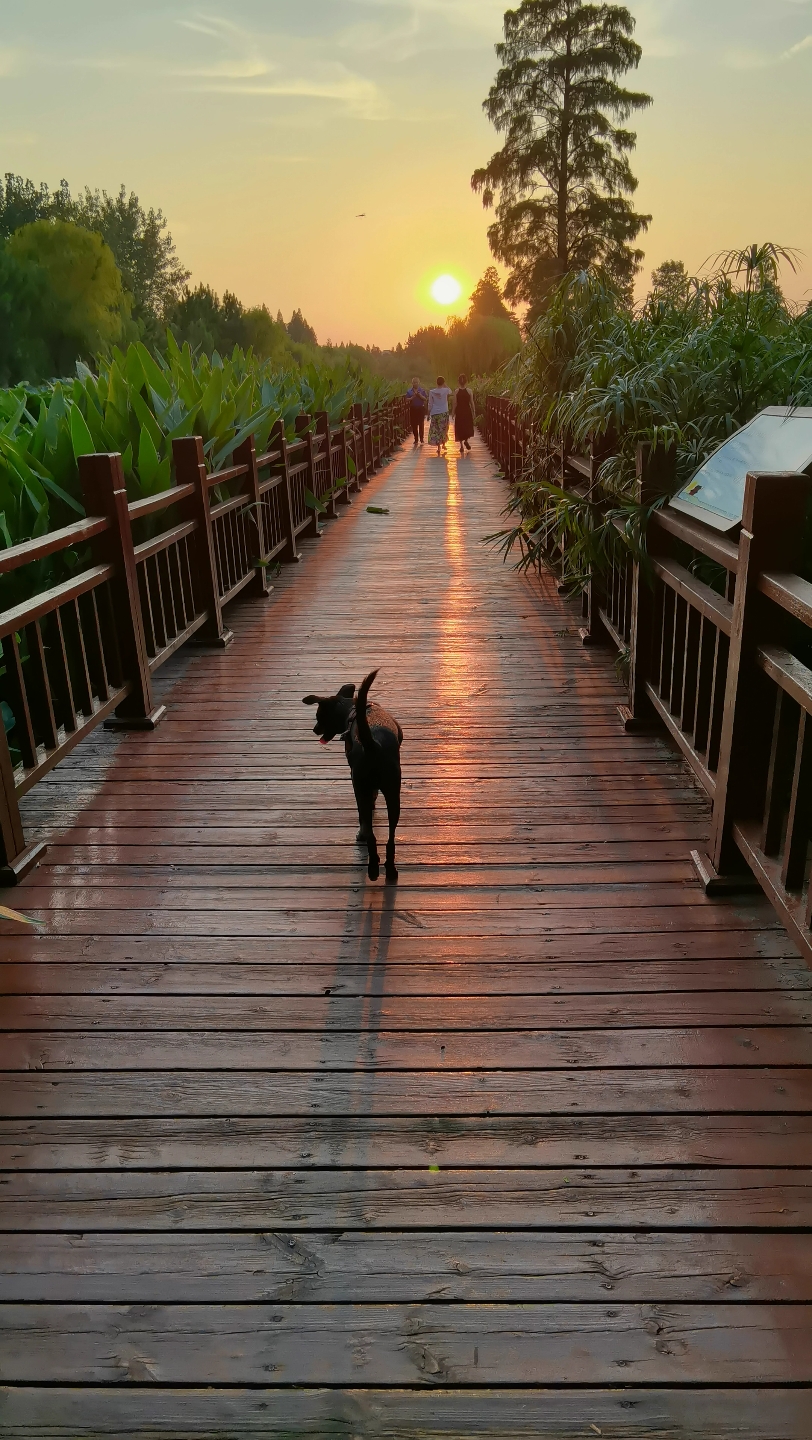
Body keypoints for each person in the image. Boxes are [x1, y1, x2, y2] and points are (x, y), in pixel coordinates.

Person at [427, 376, 453, 455]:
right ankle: (444, 445)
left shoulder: (431, 392)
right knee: (444, 428)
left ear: (436, 382)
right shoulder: (446, 390)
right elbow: (451, 392)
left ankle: (438, 447)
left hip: (434, 412)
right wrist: (445, 385)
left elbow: (430, 404)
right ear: (443, 382)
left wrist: (428, 414)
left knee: (436, 429)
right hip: (444, 412)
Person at [454, 374, 475, 455]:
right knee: (467, 426)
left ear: (458, 382)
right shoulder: (469, 391)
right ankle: (466, 440)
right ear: (466, 382)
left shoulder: (456, 391)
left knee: (459, 427)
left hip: (459, 411)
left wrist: (453, 412)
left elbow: (455, 403)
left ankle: (461, 446)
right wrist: (474, 411)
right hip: (467, 410)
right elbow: (471, 402)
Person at [405, 377, 428, 444]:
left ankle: (421, 438)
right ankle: (416, 439)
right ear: (412, 383)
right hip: (413, 408)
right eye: (414, 382)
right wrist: (412, 397)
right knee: (413, 424)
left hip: (420, 408)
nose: (415, 384)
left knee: (421, 423)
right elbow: (406, 399)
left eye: (417, 382)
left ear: (419, 383)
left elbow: (425, 399)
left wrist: (420, 395)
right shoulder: (409, 391)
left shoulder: (422, 390)